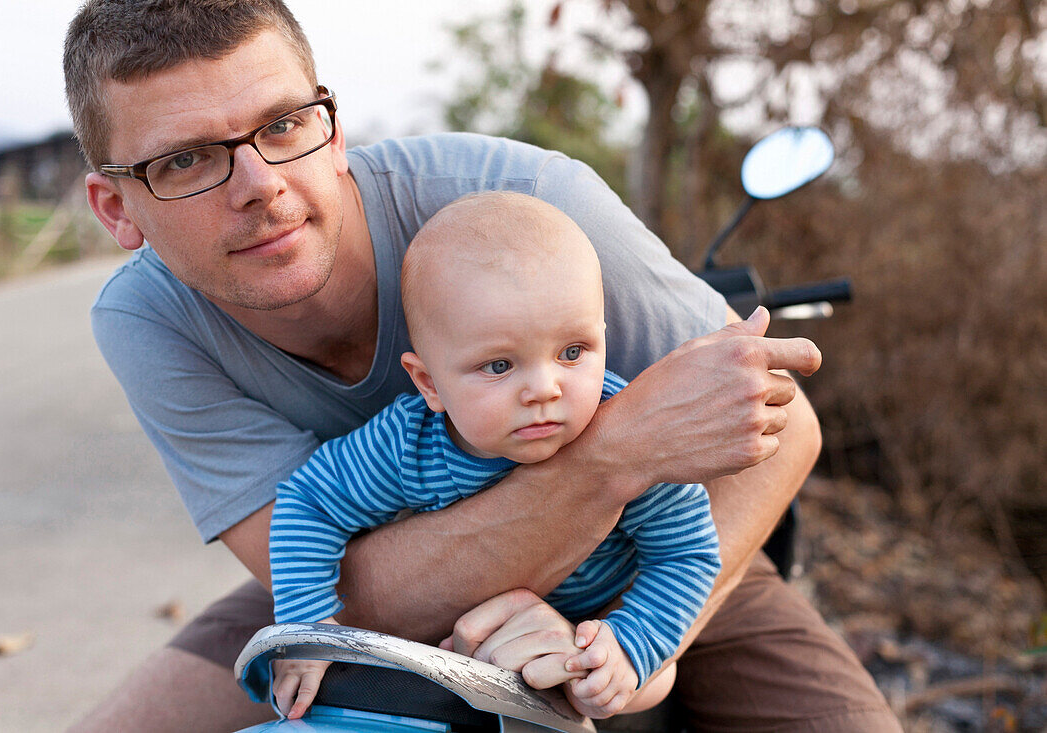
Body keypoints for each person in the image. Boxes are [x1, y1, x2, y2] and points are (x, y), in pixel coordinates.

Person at [64, 1, 902, 730]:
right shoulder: (149, 320)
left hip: (644, 557)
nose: (258, 185)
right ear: (115, 208)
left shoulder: (530, 207)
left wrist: (629, 645)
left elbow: (785, 432)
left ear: (334, 128)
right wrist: (616, 453)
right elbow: (343, 590)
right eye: (186, 161)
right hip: (346, 575)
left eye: (282, 125)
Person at [268, 191, 721, 720]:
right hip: (463, 648)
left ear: (602, 340)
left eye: (572, 353)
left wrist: (630, 644)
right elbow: (310, 501)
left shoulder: (626, 429)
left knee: (649, 686)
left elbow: (686, 553)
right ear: (429, 383)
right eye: (500, 366)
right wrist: (308, 626)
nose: (545, 389)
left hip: (599, 624)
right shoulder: (408, 443)